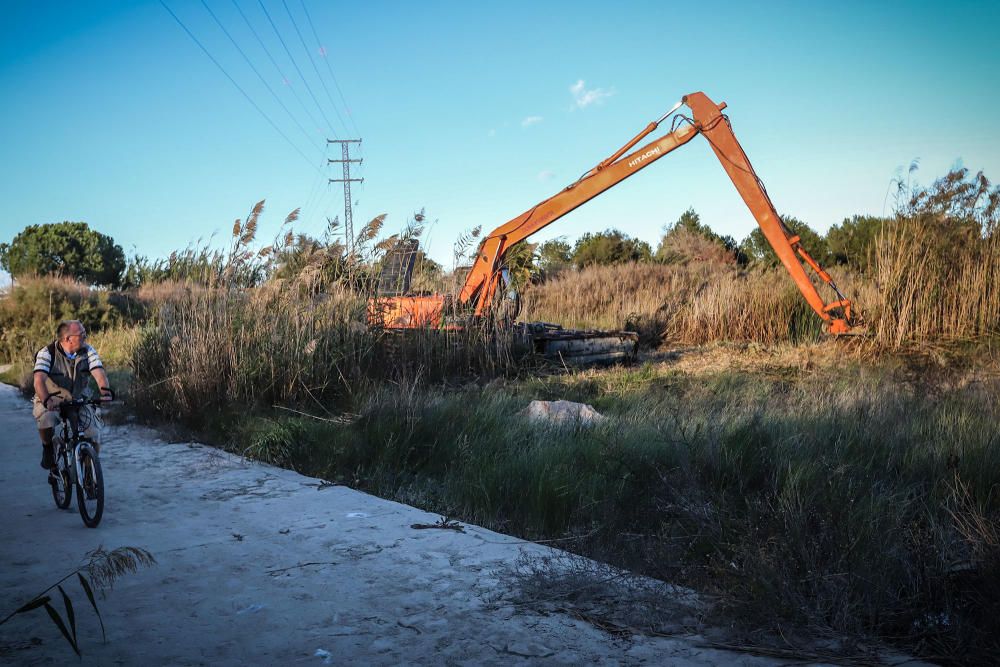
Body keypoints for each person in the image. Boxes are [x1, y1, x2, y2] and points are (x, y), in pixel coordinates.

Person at [32, 320, 113, 469]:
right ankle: (48, 447)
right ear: (68, 338)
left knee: (93, 433)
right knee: (46, 419)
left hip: (78, 398)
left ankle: (90, 471)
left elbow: (99, 374)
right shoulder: (47, 353)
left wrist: (105, 392)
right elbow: (38, 381)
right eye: (81, 334)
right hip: (51, 398)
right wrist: (46, 400)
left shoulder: (88, 351)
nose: (85, 336)